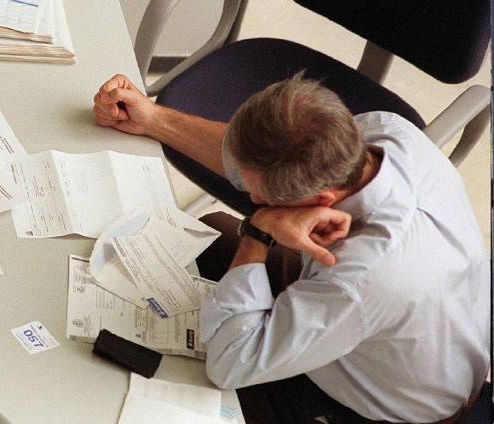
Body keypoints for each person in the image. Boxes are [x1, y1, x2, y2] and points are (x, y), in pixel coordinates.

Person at [93, 73, 490, 423]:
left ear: (321, 200)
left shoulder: (362, 276)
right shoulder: (385, 132)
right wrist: (154, 119)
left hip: (378, 405)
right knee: (209, 234)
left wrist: (259, 233)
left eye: (259, 198)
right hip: (402, 330)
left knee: (156, 384)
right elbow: (255, 162)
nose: (251, 198)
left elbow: (229, 364)